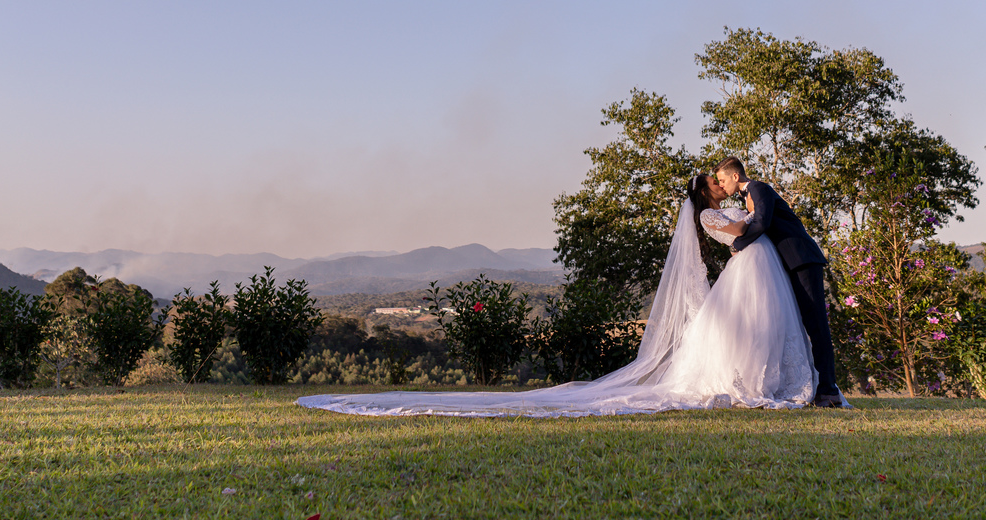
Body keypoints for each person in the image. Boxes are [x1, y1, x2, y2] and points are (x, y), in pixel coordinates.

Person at [296, 173, 827, 417]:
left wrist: (751, 218)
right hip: (749, 266)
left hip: (759, 271)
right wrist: (748, 221)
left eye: (721, 180)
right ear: (704, 195)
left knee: (767, 328)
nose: (720, 184)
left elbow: (754, 224)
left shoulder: (741, 198)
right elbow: (741, 230)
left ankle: (791, 382)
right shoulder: (713, 214)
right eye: (713, 183)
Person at [714, 156, 843, 408]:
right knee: (801, 325)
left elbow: (762, 221)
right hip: (786, 264)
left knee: (817, 325)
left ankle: (829, 390)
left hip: (802, 259)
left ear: (735, 176)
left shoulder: (759, 188)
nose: (721, 186)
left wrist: (737, 245)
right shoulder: (747, 195)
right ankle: (813, 385)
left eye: (722, 180)